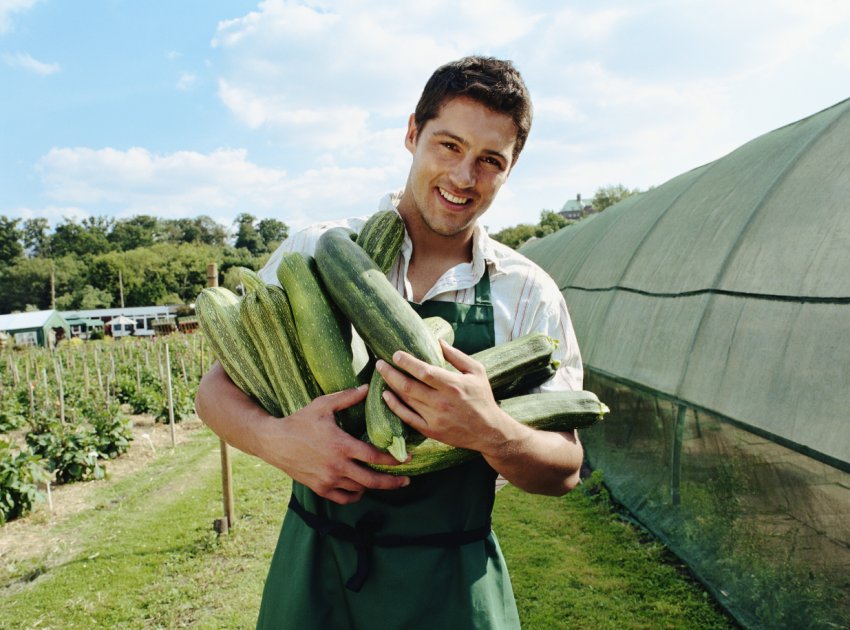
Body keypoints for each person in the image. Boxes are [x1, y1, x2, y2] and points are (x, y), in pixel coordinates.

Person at [195, 55, 584, 629]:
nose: (462, 177)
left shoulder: (528, 293)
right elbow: (215, 391)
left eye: (489, 160)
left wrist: (488, 430)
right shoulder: (318, 248)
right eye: (448, 146)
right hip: (316, 578)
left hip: (451, 588)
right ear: (412, 134)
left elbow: (566, 466)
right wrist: (275, 440)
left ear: (510, 169)